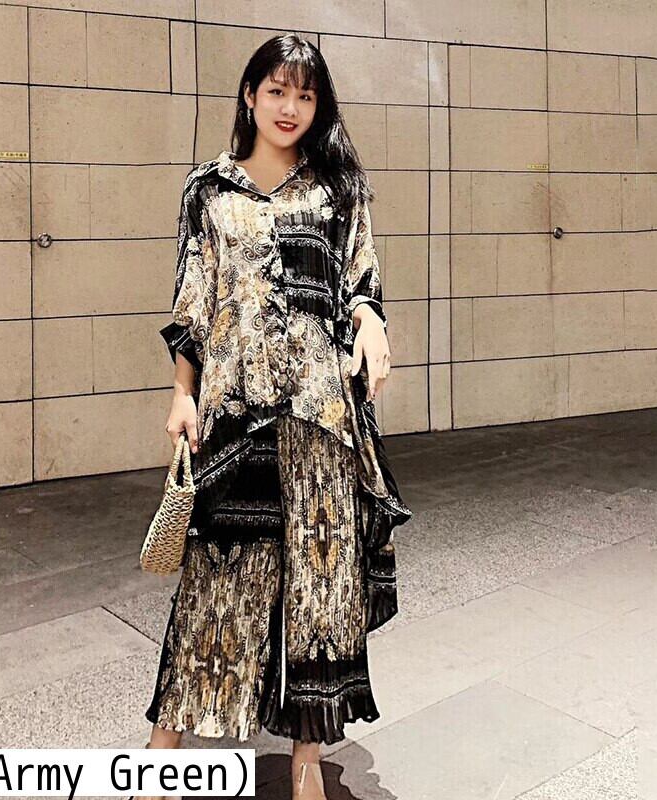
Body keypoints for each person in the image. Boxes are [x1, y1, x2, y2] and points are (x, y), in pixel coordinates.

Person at [137, 32, 413, 800]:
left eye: (306, 95)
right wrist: (182, 392)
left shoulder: (336, 189)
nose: (290, 107)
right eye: (277, 91)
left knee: (320, 590)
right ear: (250, 95)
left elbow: (361, 277)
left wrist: (371, 322)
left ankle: (306, 757)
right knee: (215, 583)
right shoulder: (209, 191)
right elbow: (193, 300)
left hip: (321, 418)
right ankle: (163, 747)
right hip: (235, 415)